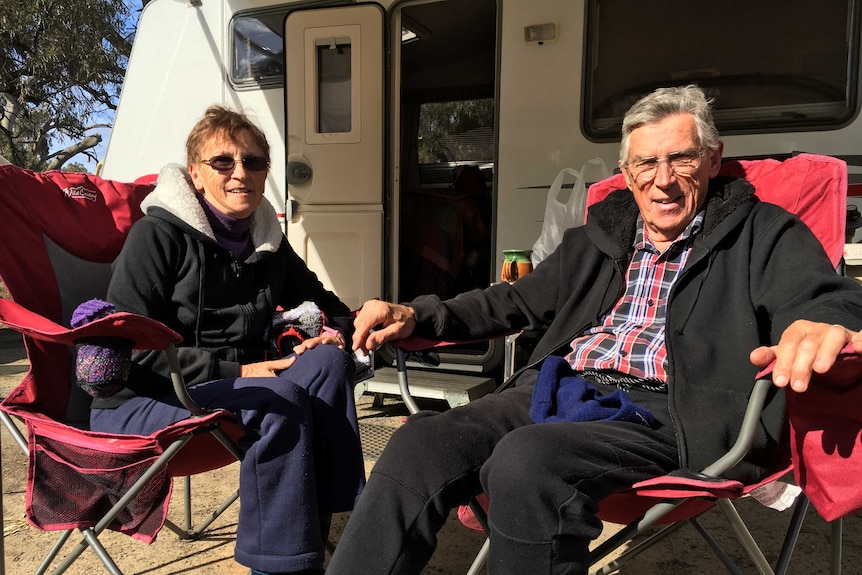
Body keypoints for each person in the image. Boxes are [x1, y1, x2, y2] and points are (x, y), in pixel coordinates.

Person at [326, 85, 862, 575]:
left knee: (528, 460)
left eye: (681, 157)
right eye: (646, 162)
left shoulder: (764, 231)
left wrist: (824, 326)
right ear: (627, 173)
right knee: (422, 439)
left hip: (672, 410)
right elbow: (513, 300)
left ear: (713, 159)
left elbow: (821, 298)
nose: (664, 179)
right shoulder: (601, 235)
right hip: (562, 389)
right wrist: (418, 315)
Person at [90, 105, 365, 575]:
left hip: (237, 394)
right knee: (277, 397)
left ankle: (328, 535)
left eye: (255, 162)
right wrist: (238, 371)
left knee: (329, 368)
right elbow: (129, 348)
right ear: (196, 174)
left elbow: (327, 305)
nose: (241, 173)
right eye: (224, 162)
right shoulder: (155, 237)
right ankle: (280, 568)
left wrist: (341, 334)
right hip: (145, 400)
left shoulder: (268, 245)